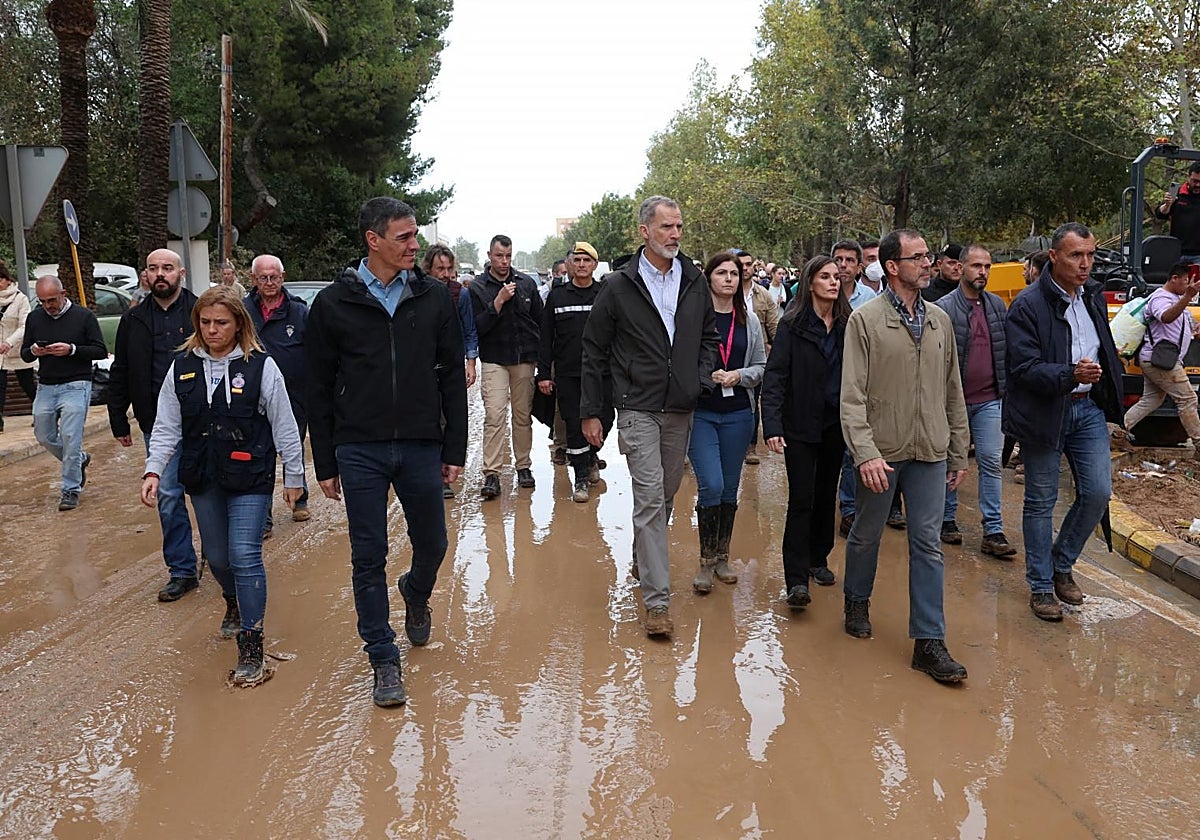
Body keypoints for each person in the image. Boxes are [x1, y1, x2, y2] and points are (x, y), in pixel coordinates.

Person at [306, 196, 467, 707]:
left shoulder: (434, 298)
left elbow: (451, 381)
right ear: (373, 240)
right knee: (367, 556)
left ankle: (416, 593)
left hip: (421, 443)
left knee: (435, 545)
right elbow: (319, 385)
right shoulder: (333, 304)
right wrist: (325, 459)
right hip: (359, 447)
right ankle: (383, 658)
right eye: (404, 236)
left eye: (415, 235)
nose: (414, 245)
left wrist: (454, 446)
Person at [141, 286, 304, 686]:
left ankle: (252, 642)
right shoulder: (181, 368)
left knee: (244, 553)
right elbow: (165, 427)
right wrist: (153, 470)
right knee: (216, 557)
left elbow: (285, 423)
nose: (212, 330)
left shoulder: (261, 367)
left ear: (238, 324)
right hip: (203, 475)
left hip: (250, 474)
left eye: (221, 323)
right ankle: (232, 600)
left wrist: (294, 476)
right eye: (206, 322)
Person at [580, 196, 718, 637]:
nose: (675, 234)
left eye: (678, 227)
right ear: (644, 232)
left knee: (670, 490)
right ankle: (657, 603)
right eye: (666, 227)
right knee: (651, 498)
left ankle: (645, 554)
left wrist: (698, 380)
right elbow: (594, 350)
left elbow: (708, 337)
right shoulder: (620, 285)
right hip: (637, 406)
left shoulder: (694, 280)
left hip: (680, 406)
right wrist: (592, 411)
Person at [841, 229, 970, 684]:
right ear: (893, 266)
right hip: (883, 453)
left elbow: (953, 390)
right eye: (918, 258)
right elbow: (851, 397)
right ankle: (856, 599)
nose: (928, 264)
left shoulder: (938, 321)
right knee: (867, 533)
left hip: (930, 451)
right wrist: (865, 453)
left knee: (928, 545)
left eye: (928, 257)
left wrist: (958, 450)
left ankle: (929, 642)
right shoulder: (865, 321)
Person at [1004, 222, 1124, 622]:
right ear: (1054, 257)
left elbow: (1102, 346)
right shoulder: (1027, 305)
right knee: (1040, 501)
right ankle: (1041, 587)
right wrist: (1070, 373)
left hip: (1086, 408)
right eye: (1076, 255)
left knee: (1097, 493)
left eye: (1090, 255)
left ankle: (1060, 563)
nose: (1085, 264)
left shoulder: (1091, 295)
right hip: (1045, 410)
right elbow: (1023, 368)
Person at [109, 248, 202, 601]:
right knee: (167, 494)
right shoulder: (133, 320)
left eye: (167, 268)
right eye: (153, 269)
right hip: (157, 423)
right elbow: (121, 370)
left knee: (210, 490)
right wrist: (119, 418)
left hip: (204, 420)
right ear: (144, 275)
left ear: (180, 272)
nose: (160, 274)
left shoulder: (201, 312)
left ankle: (221, 556)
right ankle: (181, 570)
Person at [762, 255, 847, 608]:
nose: (833, 282)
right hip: (799, 424)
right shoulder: (792, 325)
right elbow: (776, 376)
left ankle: (818, 558)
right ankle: (796, 578)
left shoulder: (848, 324)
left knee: (828, 495)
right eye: (825, 276)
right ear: (810, 282)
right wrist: (773, 425)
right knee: (802, 498)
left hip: (835, 424)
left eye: (836, 277)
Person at [685, 251, 766, 593]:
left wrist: (739, 375)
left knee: (730, 489)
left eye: (734, 273)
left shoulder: (750, 322)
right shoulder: (693, 320)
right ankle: (704, 562)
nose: (729, 278)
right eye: (722, 273)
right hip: (701, 413)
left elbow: (762, 365)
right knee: (712, 485)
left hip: (738, 415)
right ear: (709, 278)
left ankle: (722, 557)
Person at [931, 245, 1015, 556]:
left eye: (987, 266)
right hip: (952, 401)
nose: (982, 272)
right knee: (949, 461)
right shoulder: (942, 309)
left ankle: (993, 529)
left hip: (990, 399)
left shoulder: (996, 306)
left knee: (991, 461)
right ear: (961, 268)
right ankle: (947, 519)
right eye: (976, 266)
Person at [22, 276, 107, 511]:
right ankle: (79, 460)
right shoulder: (35, 317)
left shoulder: (84, 316)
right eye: (42, 301)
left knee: (71, 437)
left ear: (64, 293)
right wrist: (34, 350)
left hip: (77, 383)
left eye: (51, 300)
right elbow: (25, 355)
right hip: (46, 385)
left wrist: (72, 350)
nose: (48, 306)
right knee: (43, 435)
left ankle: (70, 489)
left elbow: (100, 350)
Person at [536, 241, 612, 503]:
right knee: (573, 424)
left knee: (605, 419)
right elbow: (546, 338)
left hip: (603, 374)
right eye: (577, 260)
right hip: (569, 373)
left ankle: (591, 456)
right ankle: (580, 477)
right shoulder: (558, 297)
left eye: (586, 261)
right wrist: (544, 374)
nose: (581, 265)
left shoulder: (605, 294)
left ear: (594, 264)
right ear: (569, 264)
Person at [469, 235, 543, 499]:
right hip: (494, 359)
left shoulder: (526, 283)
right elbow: (476, 327)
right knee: (495, 415)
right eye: (499, 256)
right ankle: (492, 473)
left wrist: (541, 359)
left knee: (522, 416)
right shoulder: (478, 287)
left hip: (524, 359)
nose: (504, 261)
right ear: (490, 255)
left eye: (508, 256)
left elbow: (540, 321)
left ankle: (523, 466)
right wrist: (497, 302)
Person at [247, 254, 311, 526]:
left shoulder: (299, 312)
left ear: (282, 278)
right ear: (254, 280)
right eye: (264, 277)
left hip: (294, 394)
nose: (270, 282)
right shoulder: (242, 311)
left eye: (274, 277)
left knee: (292, 445)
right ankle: (263, 516)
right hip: (250, 395)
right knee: (259, 453)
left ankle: (300, 499)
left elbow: (314, 353)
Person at [1122, 264, 1200, 452]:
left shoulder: (1177, 299)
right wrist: (1188, 298)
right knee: (1188, 399)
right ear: (1174, 278)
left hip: (1162, 360)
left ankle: (1116, 431)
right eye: (1185, 281)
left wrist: (1195, 330)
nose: (1189, 286)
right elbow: (1165, 317)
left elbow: (1186, 327)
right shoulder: (1160, 298)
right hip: (1159, 361)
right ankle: (1198, 440)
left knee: (1151, 400)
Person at [422, 243, 479, 498]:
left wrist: (470, 362)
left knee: (449, 419)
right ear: (428, 269)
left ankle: (443, 475)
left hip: (451, 366)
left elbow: (469, 330)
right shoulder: (418, 293)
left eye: (448, 269)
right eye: (439, 269)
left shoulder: (460, 294)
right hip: (421, 367)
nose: (445, 274)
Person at [734, 248, 778, 465]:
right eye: (740, 264)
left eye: (748, 264)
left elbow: (774, 327)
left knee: (753, 403)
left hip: (755, 358)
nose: (745, 268)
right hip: (727, 356)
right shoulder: (721, 291)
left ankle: (750, 447)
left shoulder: (764, 295)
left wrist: (776, 351)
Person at [0, 261, 38, 432]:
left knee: (27, 384)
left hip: (16, 349)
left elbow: (25, 325)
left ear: (7, 279)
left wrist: (9, 342)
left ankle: (41, 414)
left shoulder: (20, 298)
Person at [1154, 162, 1200, 263]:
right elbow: (1160, 214)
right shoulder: (1177, 193)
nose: (1198, 185)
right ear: (1188, 178)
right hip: (1177, 252)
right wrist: (1167, 205)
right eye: (1195, 181)